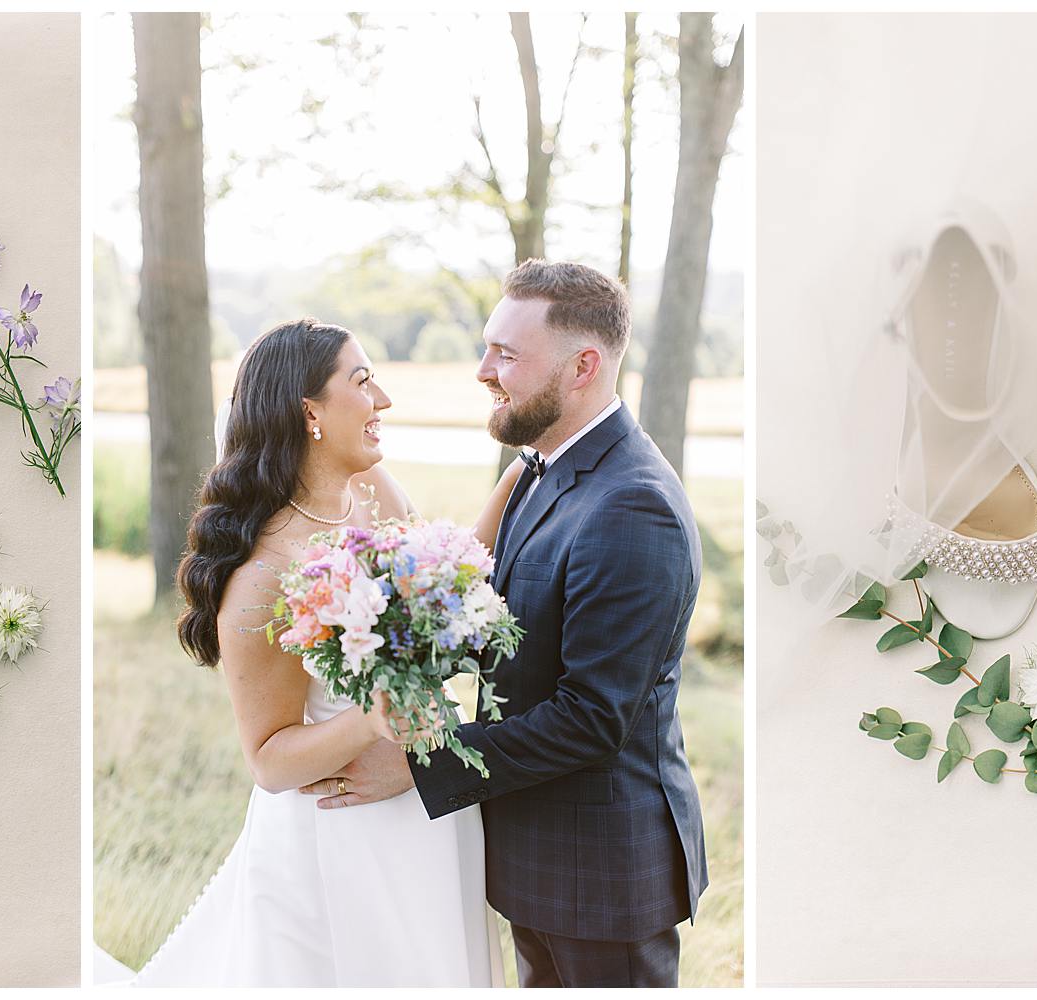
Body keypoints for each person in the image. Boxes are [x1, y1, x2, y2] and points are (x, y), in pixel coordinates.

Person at [302, 260, 709, 988]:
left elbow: (591, 718)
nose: (484, 371)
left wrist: (419, 765)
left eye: (507, 355)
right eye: (489, 347)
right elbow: (508, 631)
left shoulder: (632, 506)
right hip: (539, 861)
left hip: (602, 879)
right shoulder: (542, 467)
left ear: (584, 366)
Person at [133, 318, 514, 987]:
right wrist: (371, 720)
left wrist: (520, 479)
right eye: (363, 382)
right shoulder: (262, 577)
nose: (384, 401)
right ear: (310, 410)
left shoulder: (373, 492)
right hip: (342, 840)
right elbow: (269, 760)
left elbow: (445, 585)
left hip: (430, 807)